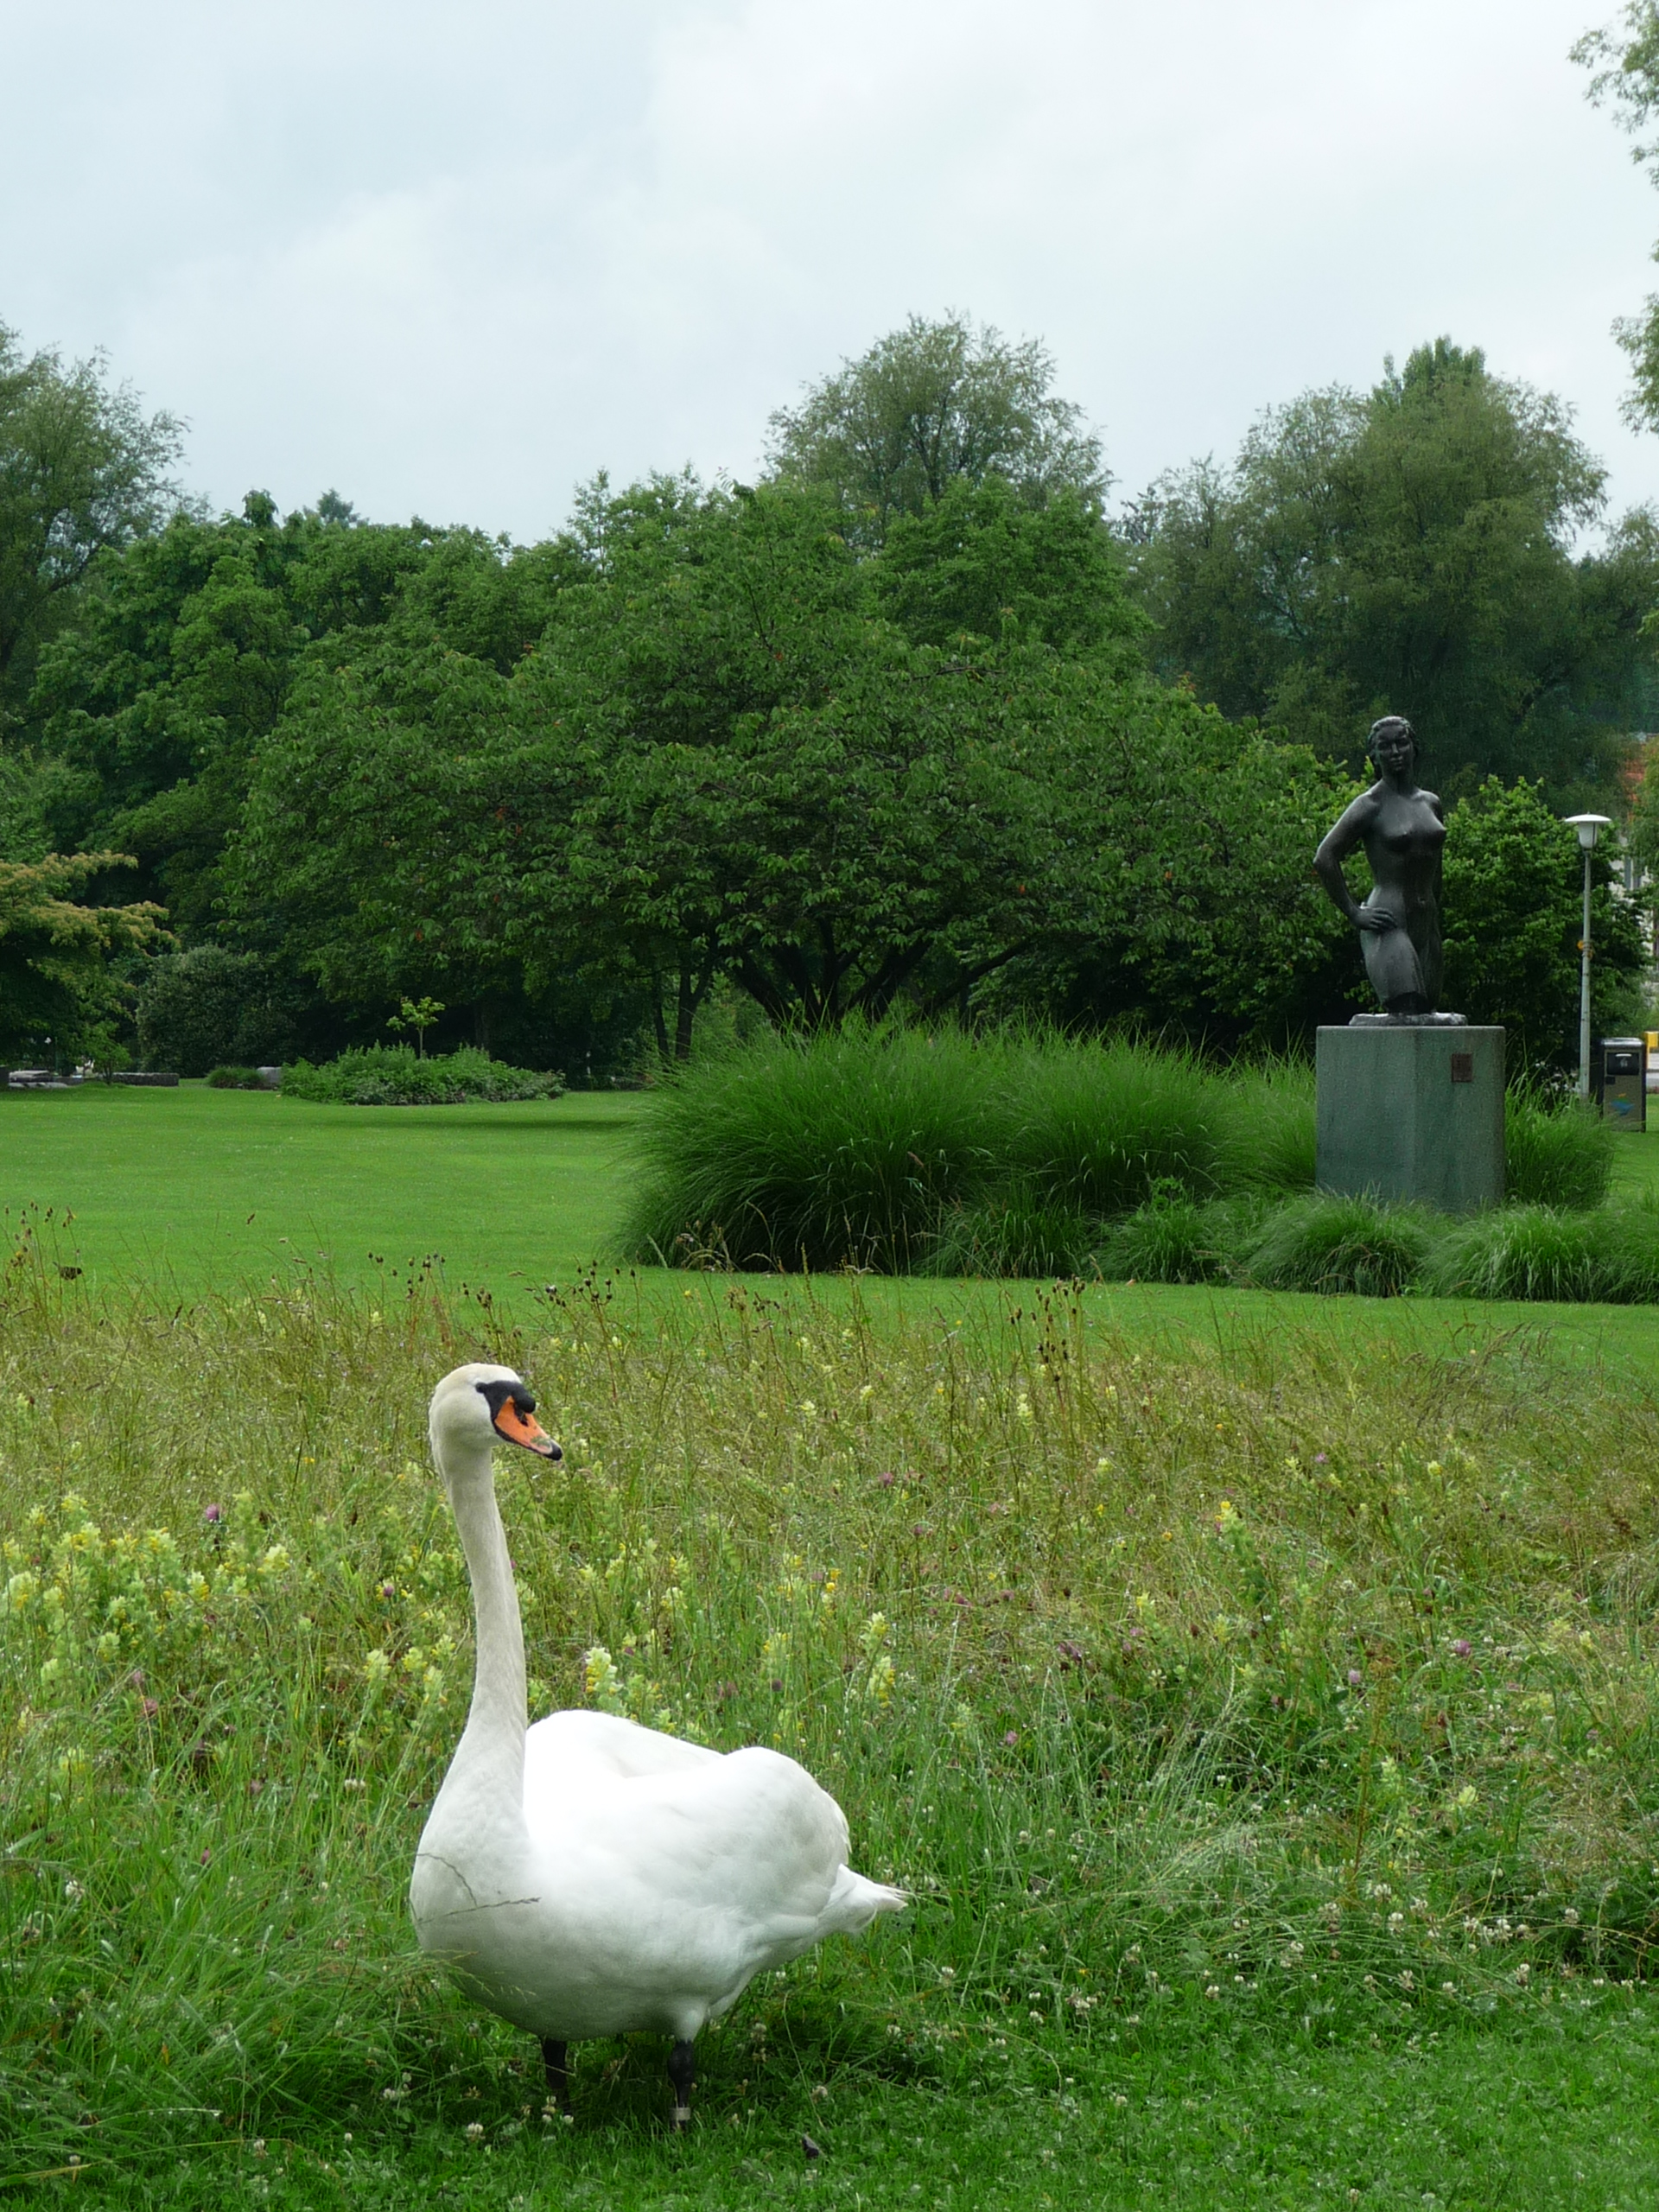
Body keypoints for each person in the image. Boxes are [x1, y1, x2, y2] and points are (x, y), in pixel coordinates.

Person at [1313, 716, 1446, 1016]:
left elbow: (1436, 864)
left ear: (1414, 747)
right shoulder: (1370, 805)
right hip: (1388, 919)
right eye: (1385, 746)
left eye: (1402, 742)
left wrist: (1437, 910)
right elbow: (1325, 857)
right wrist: (1353, 912)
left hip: (1427, 921)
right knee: (1407, 1007)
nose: (1395, 751)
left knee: (1427, 1013)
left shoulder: (1431, 803)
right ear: (1374, 756)